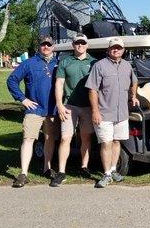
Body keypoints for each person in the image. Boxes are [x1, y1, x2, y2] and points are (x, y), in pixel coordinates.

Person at [85, 37, 139, 188]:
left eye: (119, 48)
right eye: (113, 48)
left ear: (123, 50)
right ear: (108, 50)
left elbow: (134, 81)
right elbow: (92, 89)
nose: (116, 50)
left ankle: (114, 170)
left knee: (117, 142)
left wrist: (133, 96)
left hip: (121, 113)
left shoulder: (127, 66)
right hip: (104, 113)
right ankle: (107, 174)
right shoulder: (99, 66)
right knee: (106, 143)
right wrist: (95, 111)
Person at [7, 36, 59, 187]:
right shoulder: (29, 63)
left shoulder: (59, 64)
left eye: (49, 44)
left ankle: (46, 169)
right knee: (28, 139)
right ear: (39, 47)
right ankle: (23, 173)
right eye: (43, 44)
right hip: (34, 109)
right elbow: (12, 80)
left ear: (53, 47)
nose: (46, 47)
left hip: (52, 109)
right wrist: (23, 99)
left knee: (50, 139)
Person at [51, 33, 97, 187]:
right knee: (65, 138)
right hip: (69, 106)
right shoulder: (65, 62)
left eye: (83, 43)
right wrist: (59, 104)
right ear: (73, 45)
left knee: (86, 137)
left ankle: (84, 166)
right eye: (77, 43)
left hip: (88, 107)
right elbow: (59, 84)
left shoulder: (94, 63)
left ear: (87, 45)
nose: (80, 45)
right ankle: (62, 172)